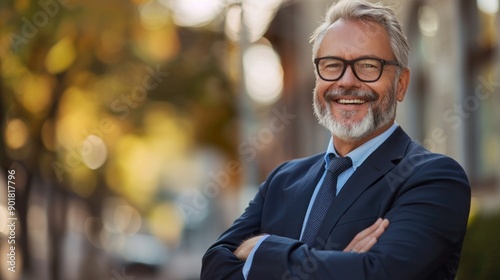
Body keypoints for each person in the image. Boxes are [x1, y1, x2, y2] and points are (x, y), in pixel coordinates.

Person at [201, 0, 471, 279]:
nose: (346, 81)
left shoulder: (434, 179)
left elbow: (379, 274)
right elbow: (213, 268)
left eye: (367, 65)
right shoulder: (281, 181)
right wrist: (338, 264)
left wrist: (263, 249)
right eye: (332, 65)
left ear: (400, 84)